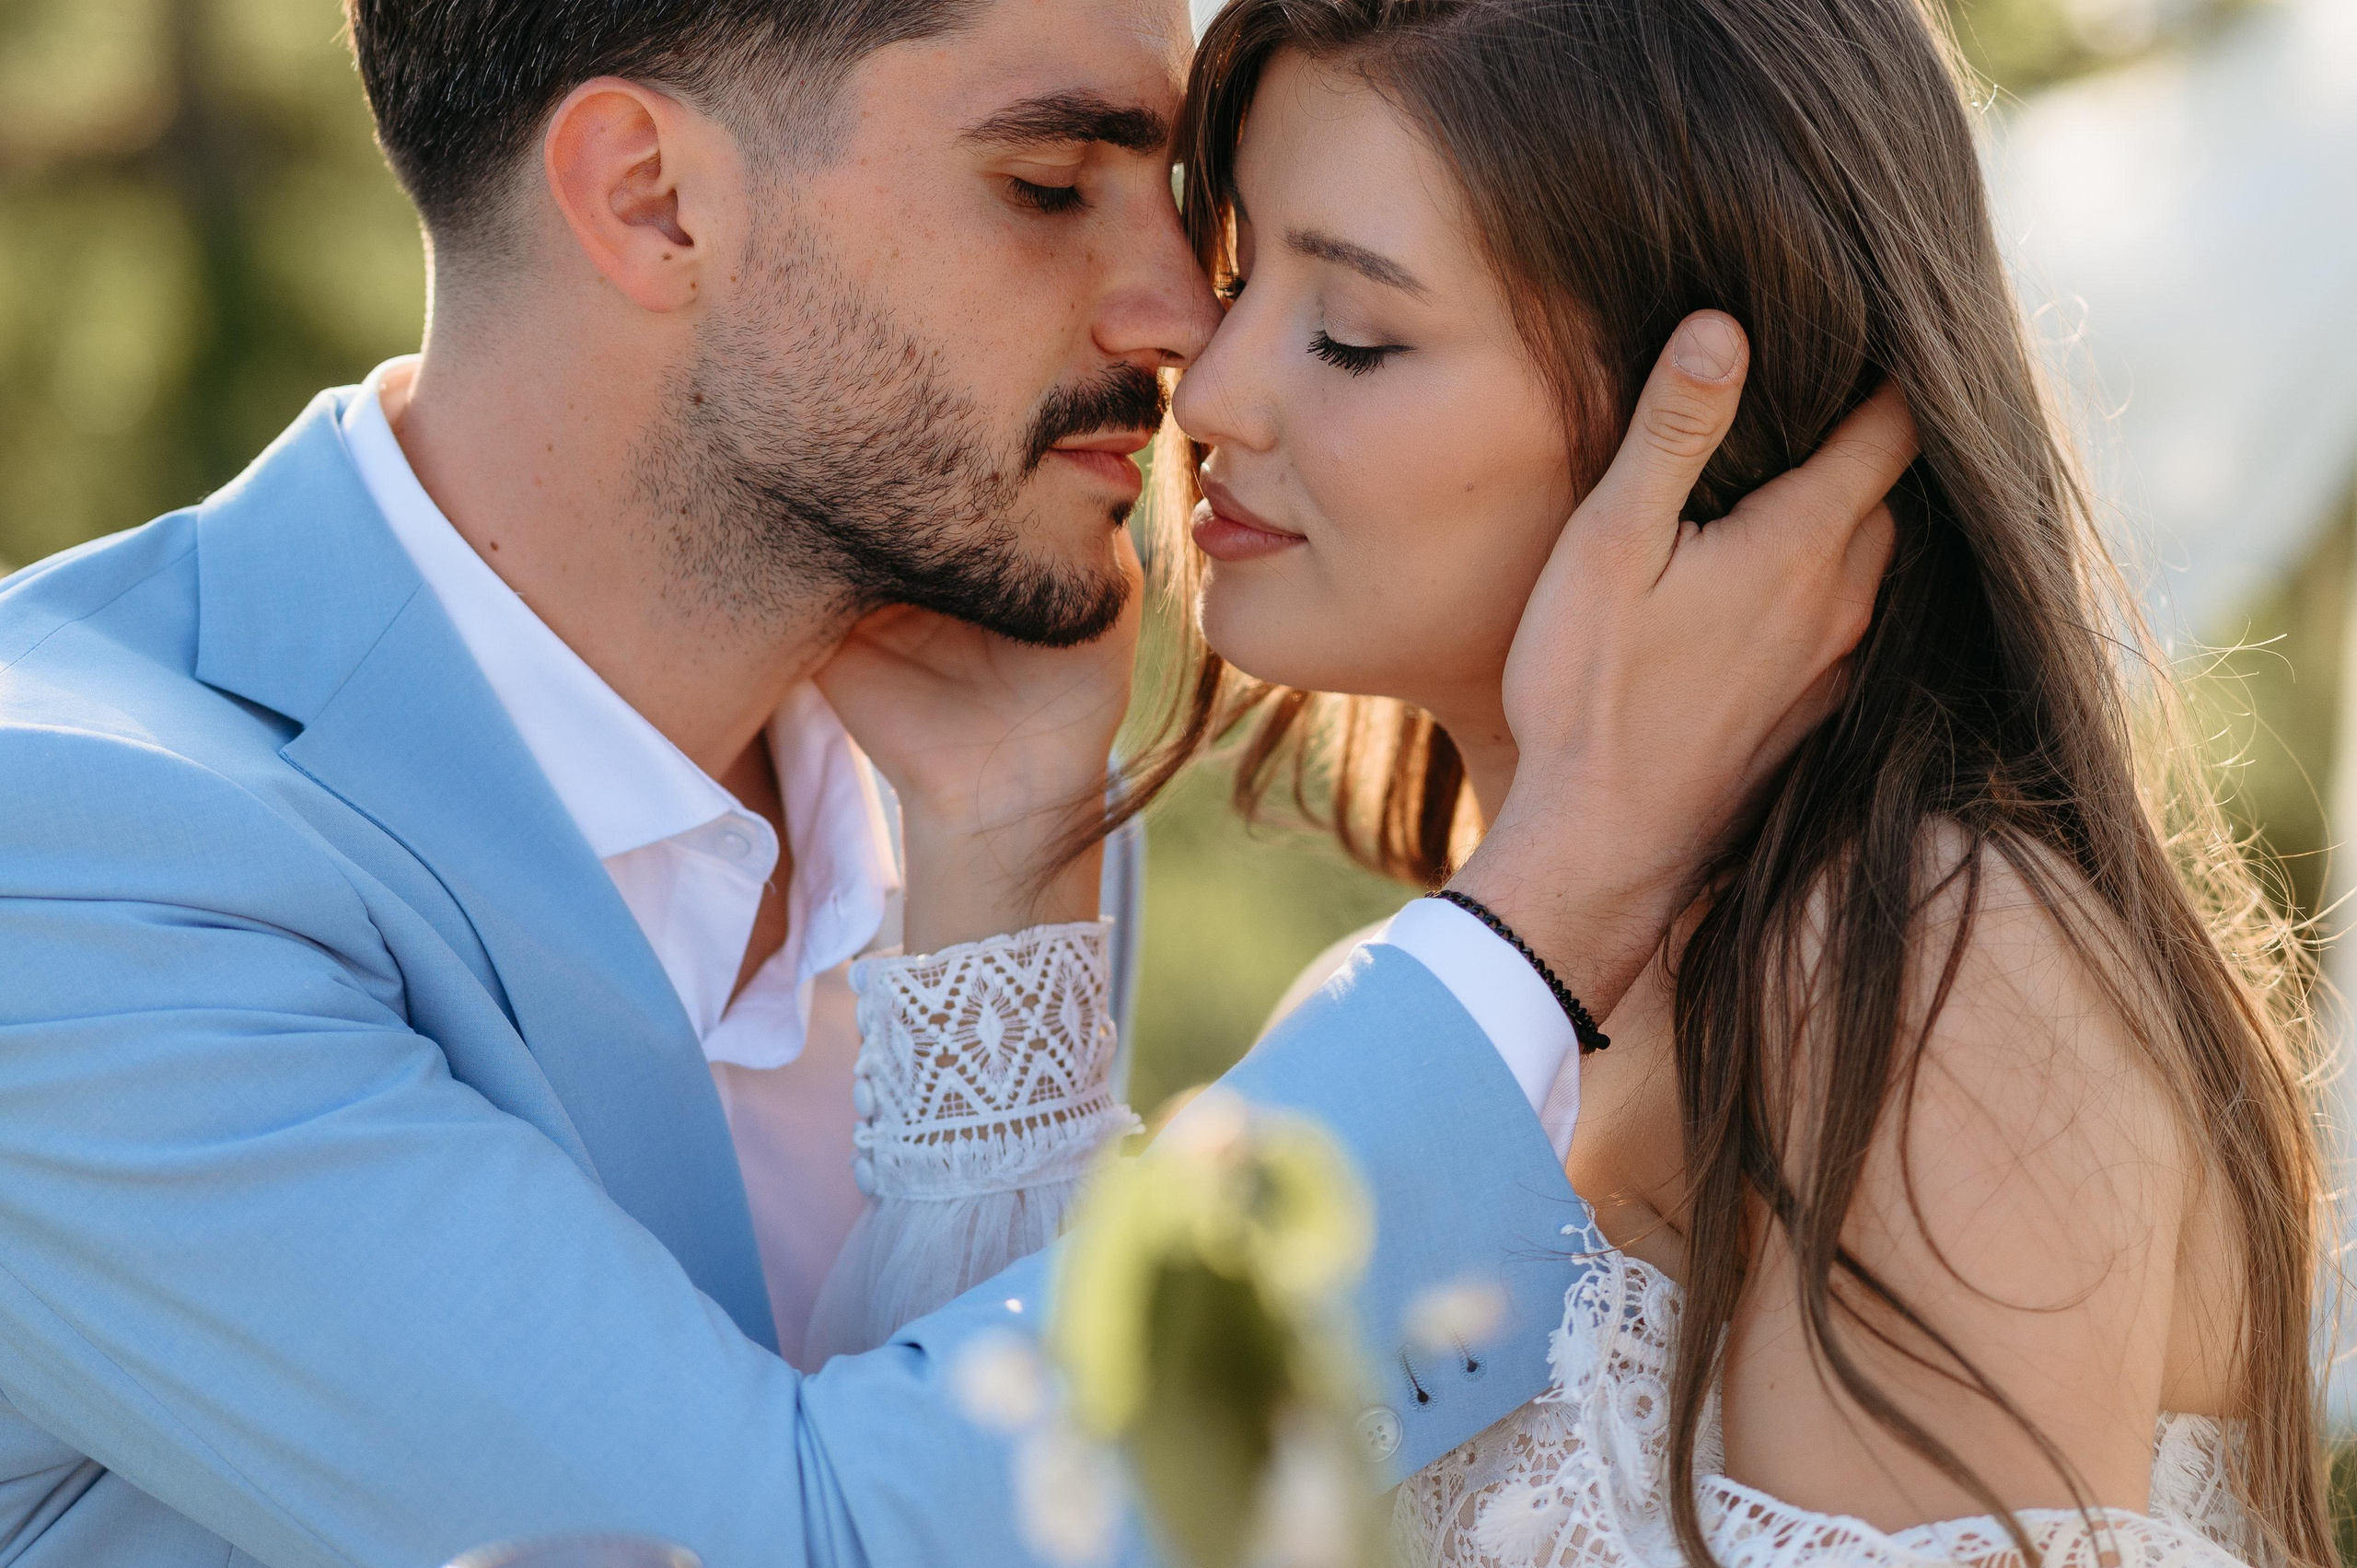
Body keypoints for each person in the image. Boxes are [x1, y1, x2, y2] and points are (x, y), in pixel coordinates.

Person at [0, 0, 1906, 1562]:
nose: (1184, 317)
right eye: (1048, 181)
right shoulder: (69, 860)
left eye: (1172, 199)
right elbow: (796, 1548)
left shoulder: (992, 771)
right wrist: (1556, 900)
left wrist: (1000, 862)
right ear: (653, 202)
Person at [1118, 0, 2329, 1562]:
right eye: (1233, 280)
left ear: (1705, 425)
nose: (1207, 390)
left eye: (1353, 332)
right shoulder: (1385, 1010)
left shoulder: (1923, 979)